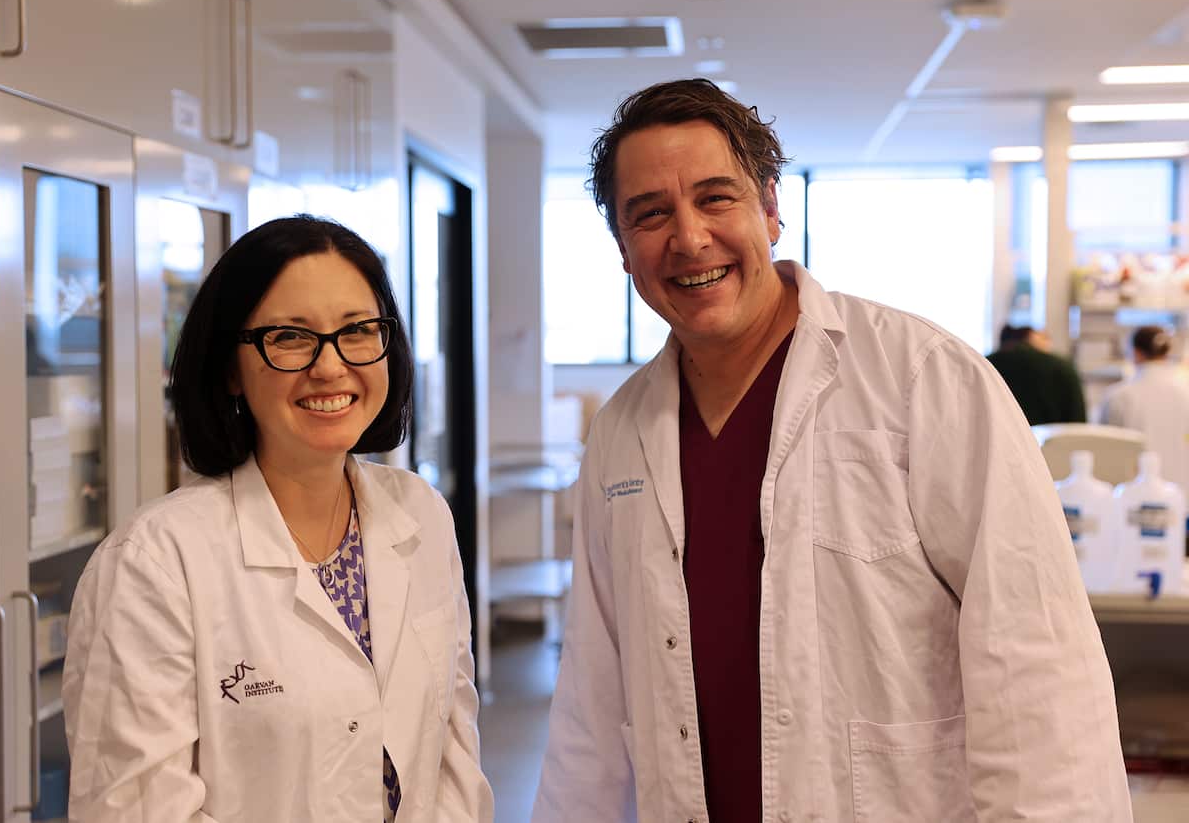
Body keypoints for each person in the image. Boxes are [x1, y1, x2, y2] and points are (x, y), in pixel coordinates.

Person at [531, 79, 1130, 822]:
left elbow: (1038, 668)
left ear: (772, 208)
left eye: (716, 198)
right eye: (650, 214)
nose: (688, 239)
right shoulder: (621, 433)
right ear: (624, 250)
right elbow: (593, 699)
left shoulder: (921, 379)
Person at [63, 216, 493, 822]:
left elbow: (452, 753)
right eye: (291, 336)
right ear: (231, 368)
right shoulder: (154, 563)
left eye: (358, 330)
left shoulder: (419, 512)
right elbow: (135, 807)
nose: (330, 366)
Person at [1099, 324, 1189, 491]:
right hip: (1182, 493)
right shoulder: (1185, 390)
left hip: (1133, 495)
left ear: (1135, 353)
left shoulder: (1120, 395)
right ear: (1167, 353)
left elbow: (1107, 449)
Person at [985, 323, 1087, 425]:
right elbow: (1078, 423)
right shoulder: (1061, 367)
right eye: (1044, 337)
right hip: (1051, 439)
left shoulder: (987, 364)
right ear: (1030, 336)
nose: (1049, 342)